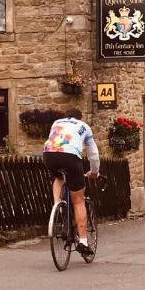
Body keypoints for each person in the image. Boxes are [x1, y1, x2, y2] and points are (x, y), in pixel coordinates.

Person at [43, 109, 100, 256]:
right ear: (80, 117)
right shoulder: (84, 126)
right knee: (78, 200)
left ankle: (57, 207)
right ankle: (83, 241)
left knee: (58, 178)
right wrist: (94, 172)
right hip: (70, 157)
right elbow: (93, 154)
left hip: (49, 155)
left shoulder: (56, 123)